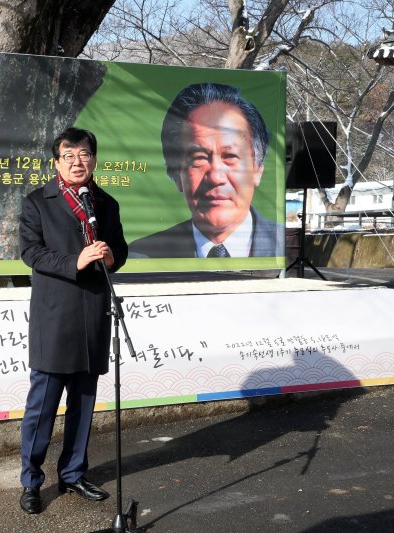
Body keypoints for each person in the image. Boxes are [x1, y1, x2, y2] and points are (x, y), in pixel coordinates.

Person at [17, 127, 129, 514]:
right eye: (69, 156)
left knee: (83, 404)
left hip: (94, 315)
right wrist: (74, 262)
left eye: (84, 155)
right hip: (55, 318)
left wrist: (112, 257)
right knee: (42, 407)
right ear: (56, 162)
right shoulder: (38, 202)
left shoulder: (106, 204)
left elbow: (120, 248)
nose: (77, 162)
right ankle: (32, 481)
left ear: (94, 160)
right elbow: (30, 252)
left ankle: (74, 473)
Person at [129, 83, 282, 258]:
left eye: (230, 156)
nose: (216, 177)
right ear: (177, 175)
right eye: (198, 158)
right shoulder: (142, 254)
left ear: (257, 170)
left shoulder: (285, 246)